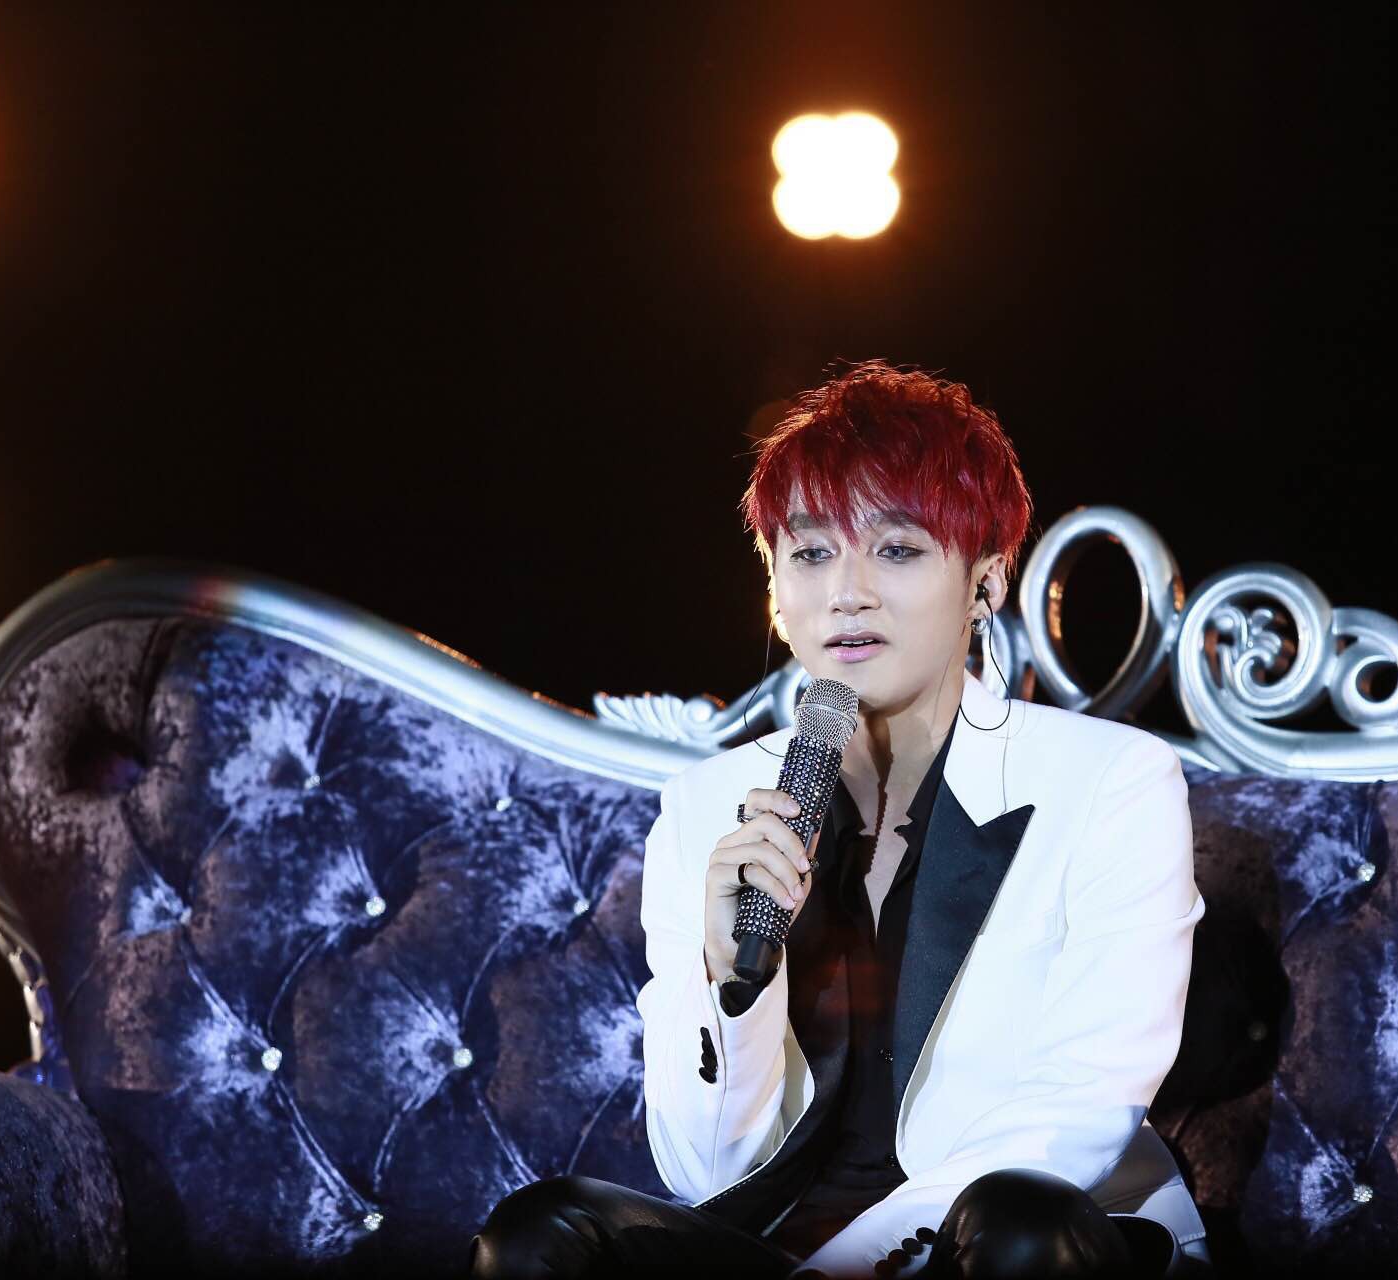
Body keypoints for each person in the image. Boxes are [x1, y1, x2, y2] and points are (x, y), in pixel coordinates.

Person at [470, 360, 1209, 1278]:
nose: (846, 592)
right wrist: (729, 979)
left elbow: (1077, 1111)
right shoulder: (707, 806)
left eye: (897, 550)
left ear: (985, 580)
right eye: (812, 553)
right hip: (783, 1240)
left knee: (1021, 1227)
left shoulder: (1111, 780)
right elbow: (705, 1171)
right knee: (542, 1234)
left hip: (1000, 1241)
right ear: (775, 591)